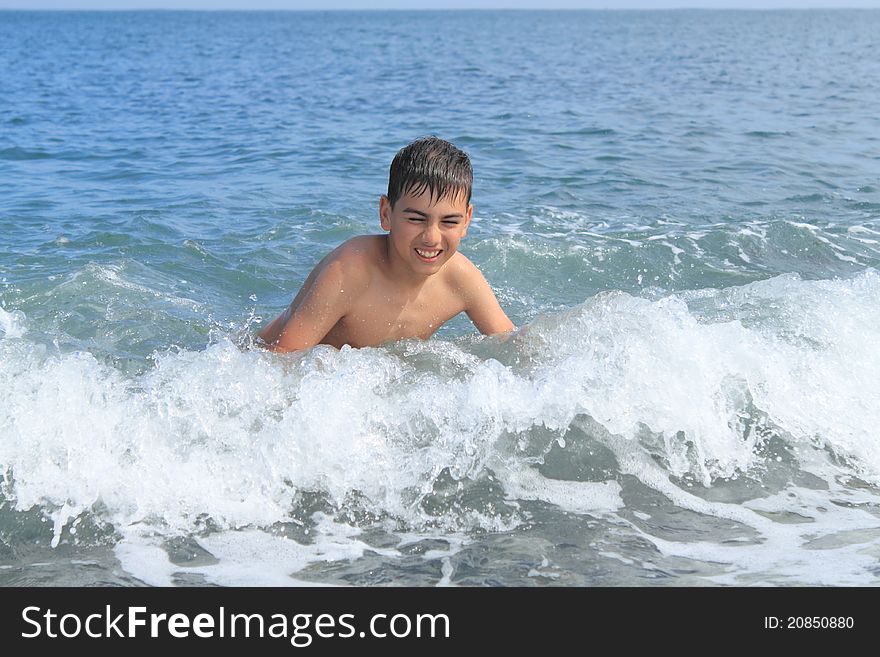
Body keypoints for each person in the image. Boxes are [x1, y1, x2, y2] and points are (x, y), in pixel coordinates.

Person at [257, 136, 515, 353]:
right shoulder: (350, 271)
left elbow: (511, 344)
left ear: (467, 220)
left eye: (448, 222)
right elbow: (281, 360)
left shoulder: (461, 278)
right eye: (415, 219)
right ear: (386, 214)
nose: (432, 237)